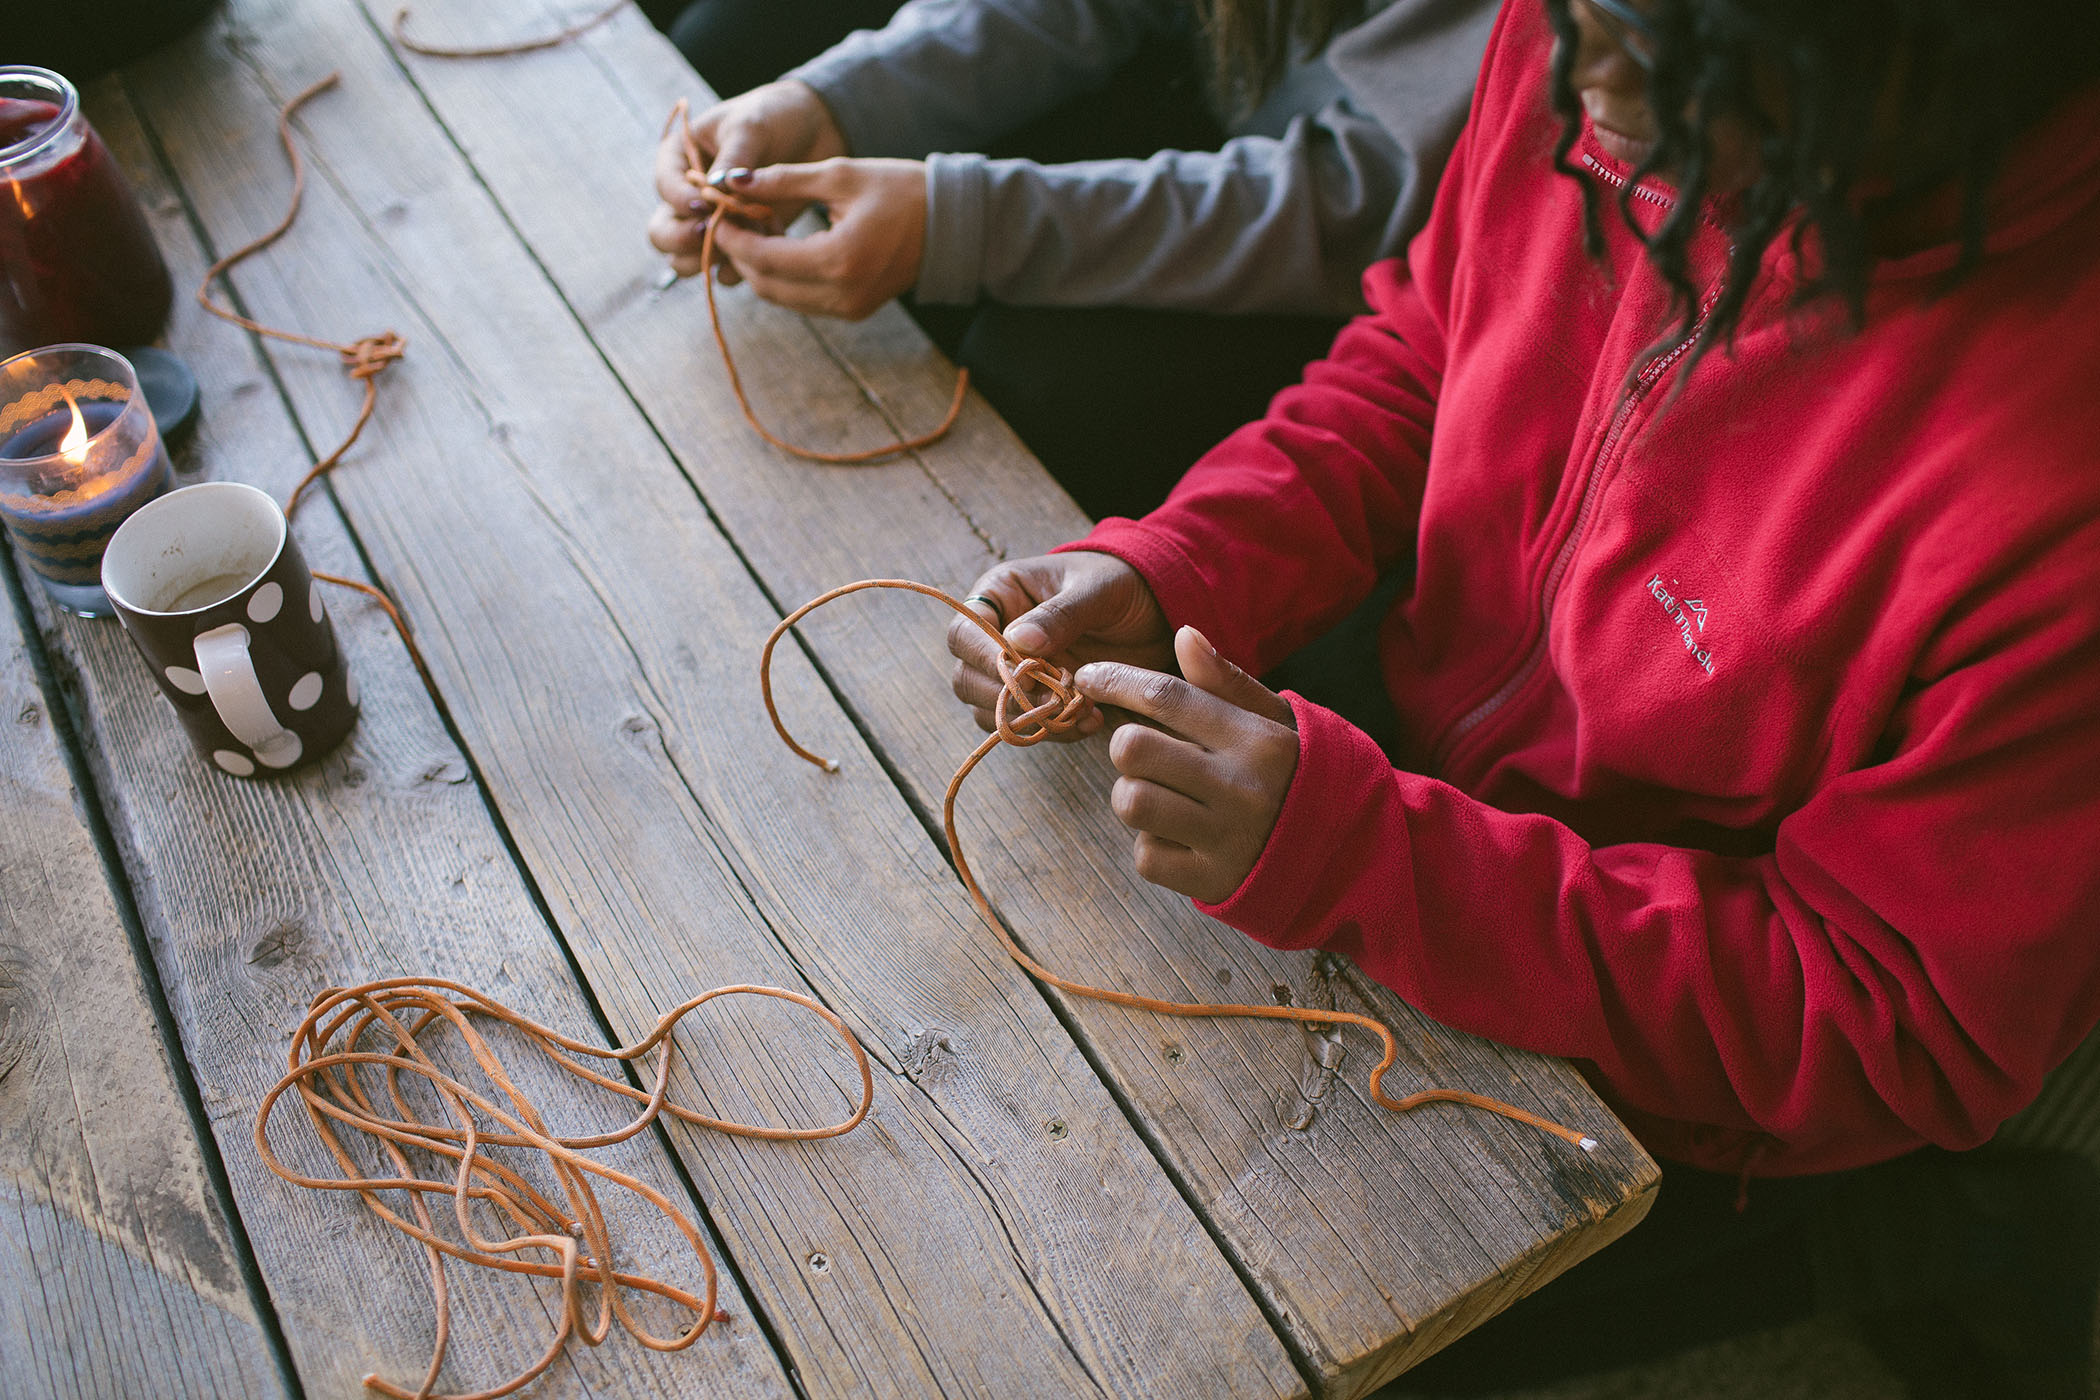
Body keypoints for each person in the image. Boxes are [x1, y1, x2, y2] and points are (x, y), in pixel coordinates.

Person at [945, 0, 2100, 1391]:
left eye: (1648, 48)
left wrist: (1370, 856)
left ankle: (1892, 1243)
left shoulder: (2058, 479)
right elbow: (1430, 349)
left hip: (1694, 1085)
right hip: (1418, 790)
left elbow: (1886, 1015)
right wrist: (1185, 559)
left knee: (1240, 1346)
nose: (1560, 73)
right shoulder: (1586, 43)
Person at [647, 0, 1502, 520]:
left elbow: (1356, 199)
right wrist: (833, 102)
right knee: (731, 38)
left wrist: (962, 226)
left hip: (1370, 250)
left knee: (1047, 374)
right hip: (1227, 95)